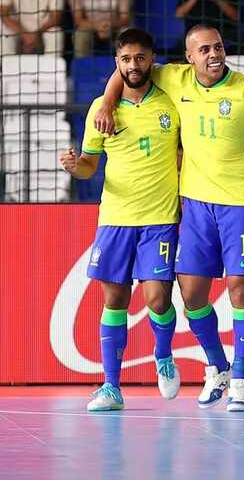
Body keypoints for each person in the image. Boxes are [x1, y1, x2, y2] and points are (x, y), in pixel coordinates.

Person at [93, 24, 244, 412]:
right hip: (194, 205)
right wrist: (106, 103)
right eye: (204, 49)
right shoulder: (174, 78)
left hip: (240, 201)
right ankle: (217, 366)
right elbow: (126, 70)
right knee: (190, 294)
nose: (213, 54)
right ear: (190, 57)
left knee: (240, 289)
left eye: (218, 47)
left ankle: (240, 380)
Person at [58, 28, 182, 411]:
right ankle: (111, 386)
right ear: (117, 63)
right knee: (114, 299)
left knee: (157, 298)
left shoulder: (171, 101)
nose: (133, 65)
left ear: (151, 59)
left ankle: (163, 355)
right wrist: (75, 166)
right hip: (115, 218)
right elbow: (89, 166)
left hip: (161, 216)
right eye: (126, 59)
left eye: (140, 58)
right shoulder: (101, 108)